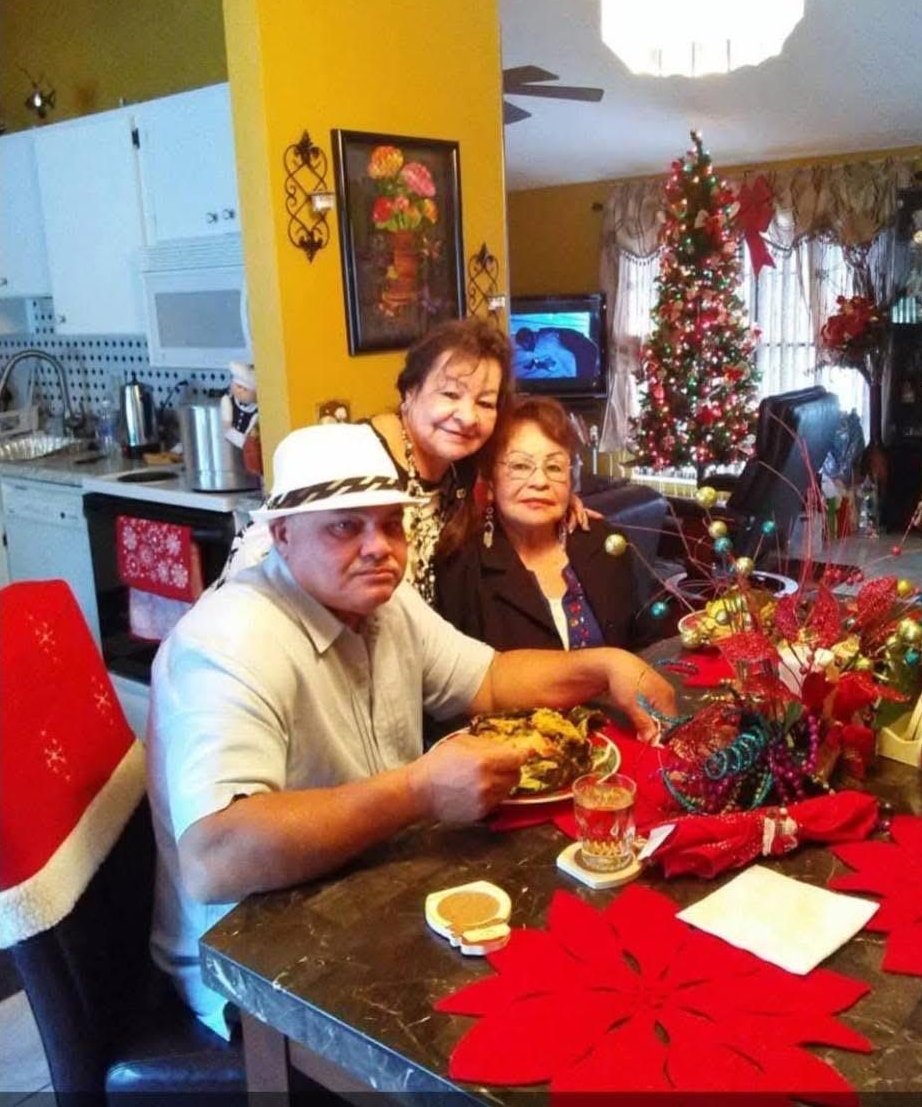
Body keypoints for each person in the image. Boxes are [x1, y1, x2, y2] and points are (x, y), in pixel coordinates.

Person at [146, 422, 676, 1038]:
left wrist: (602, 664)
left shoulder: (383, 604)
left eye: (391, 524)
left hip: (359, 896)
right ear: (282, 536)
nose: (379, 547)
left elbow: (491, 678)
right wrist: (418, 792)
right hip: (253, 980)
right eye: (346, 525)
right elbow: (215, 859)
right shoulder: (227, 641)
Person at [214, 317, 595, 603]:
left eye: (484, 402)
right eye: (449, 394)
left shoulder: (461, 469)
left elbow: (508, 488)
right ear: (409, 392)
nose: (466, 416)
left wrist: (555, 504)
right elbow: (267, 553)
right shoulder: (355, 459)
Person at [435, 396, 663, 651]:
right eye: (520, 465)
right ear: (489, 483)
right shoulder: (463, 567)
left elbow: (645, 643)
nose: (540, 481)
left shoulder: (605, 542)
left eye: (554, 467)